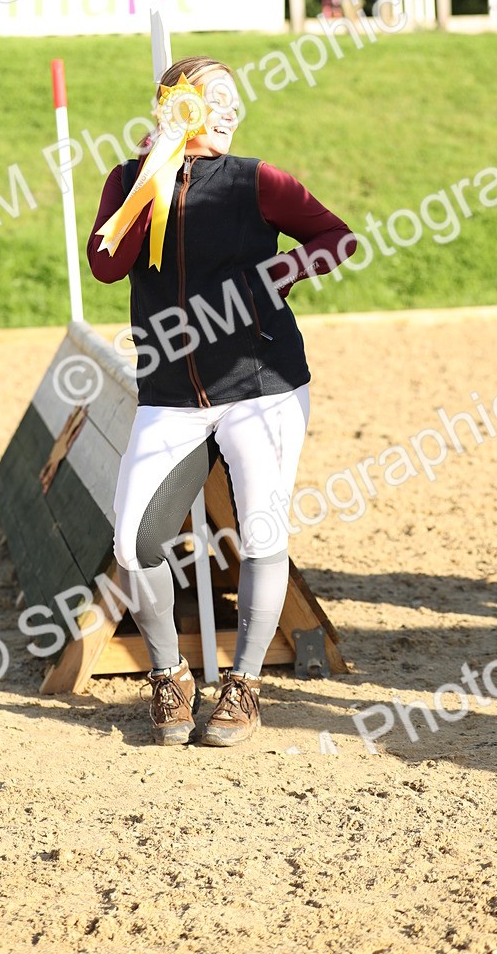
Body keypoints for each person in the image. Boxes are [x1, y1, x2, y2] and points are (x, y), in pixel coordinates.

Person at [87, 57, 356, 748]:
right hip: (170, 393)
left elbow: (336, 238)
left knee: (263, 530)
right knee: (134, 540)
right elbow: (106, 263)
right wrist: (147, 183)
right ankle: (171, 676)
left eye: (237, 99)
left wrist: (271, 281)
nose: (232, 110)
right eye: (216, 99)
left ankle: (244, 687)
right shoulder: (128, 178)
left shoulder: (257, 179)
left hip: (262, 385)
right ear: (178, 108)